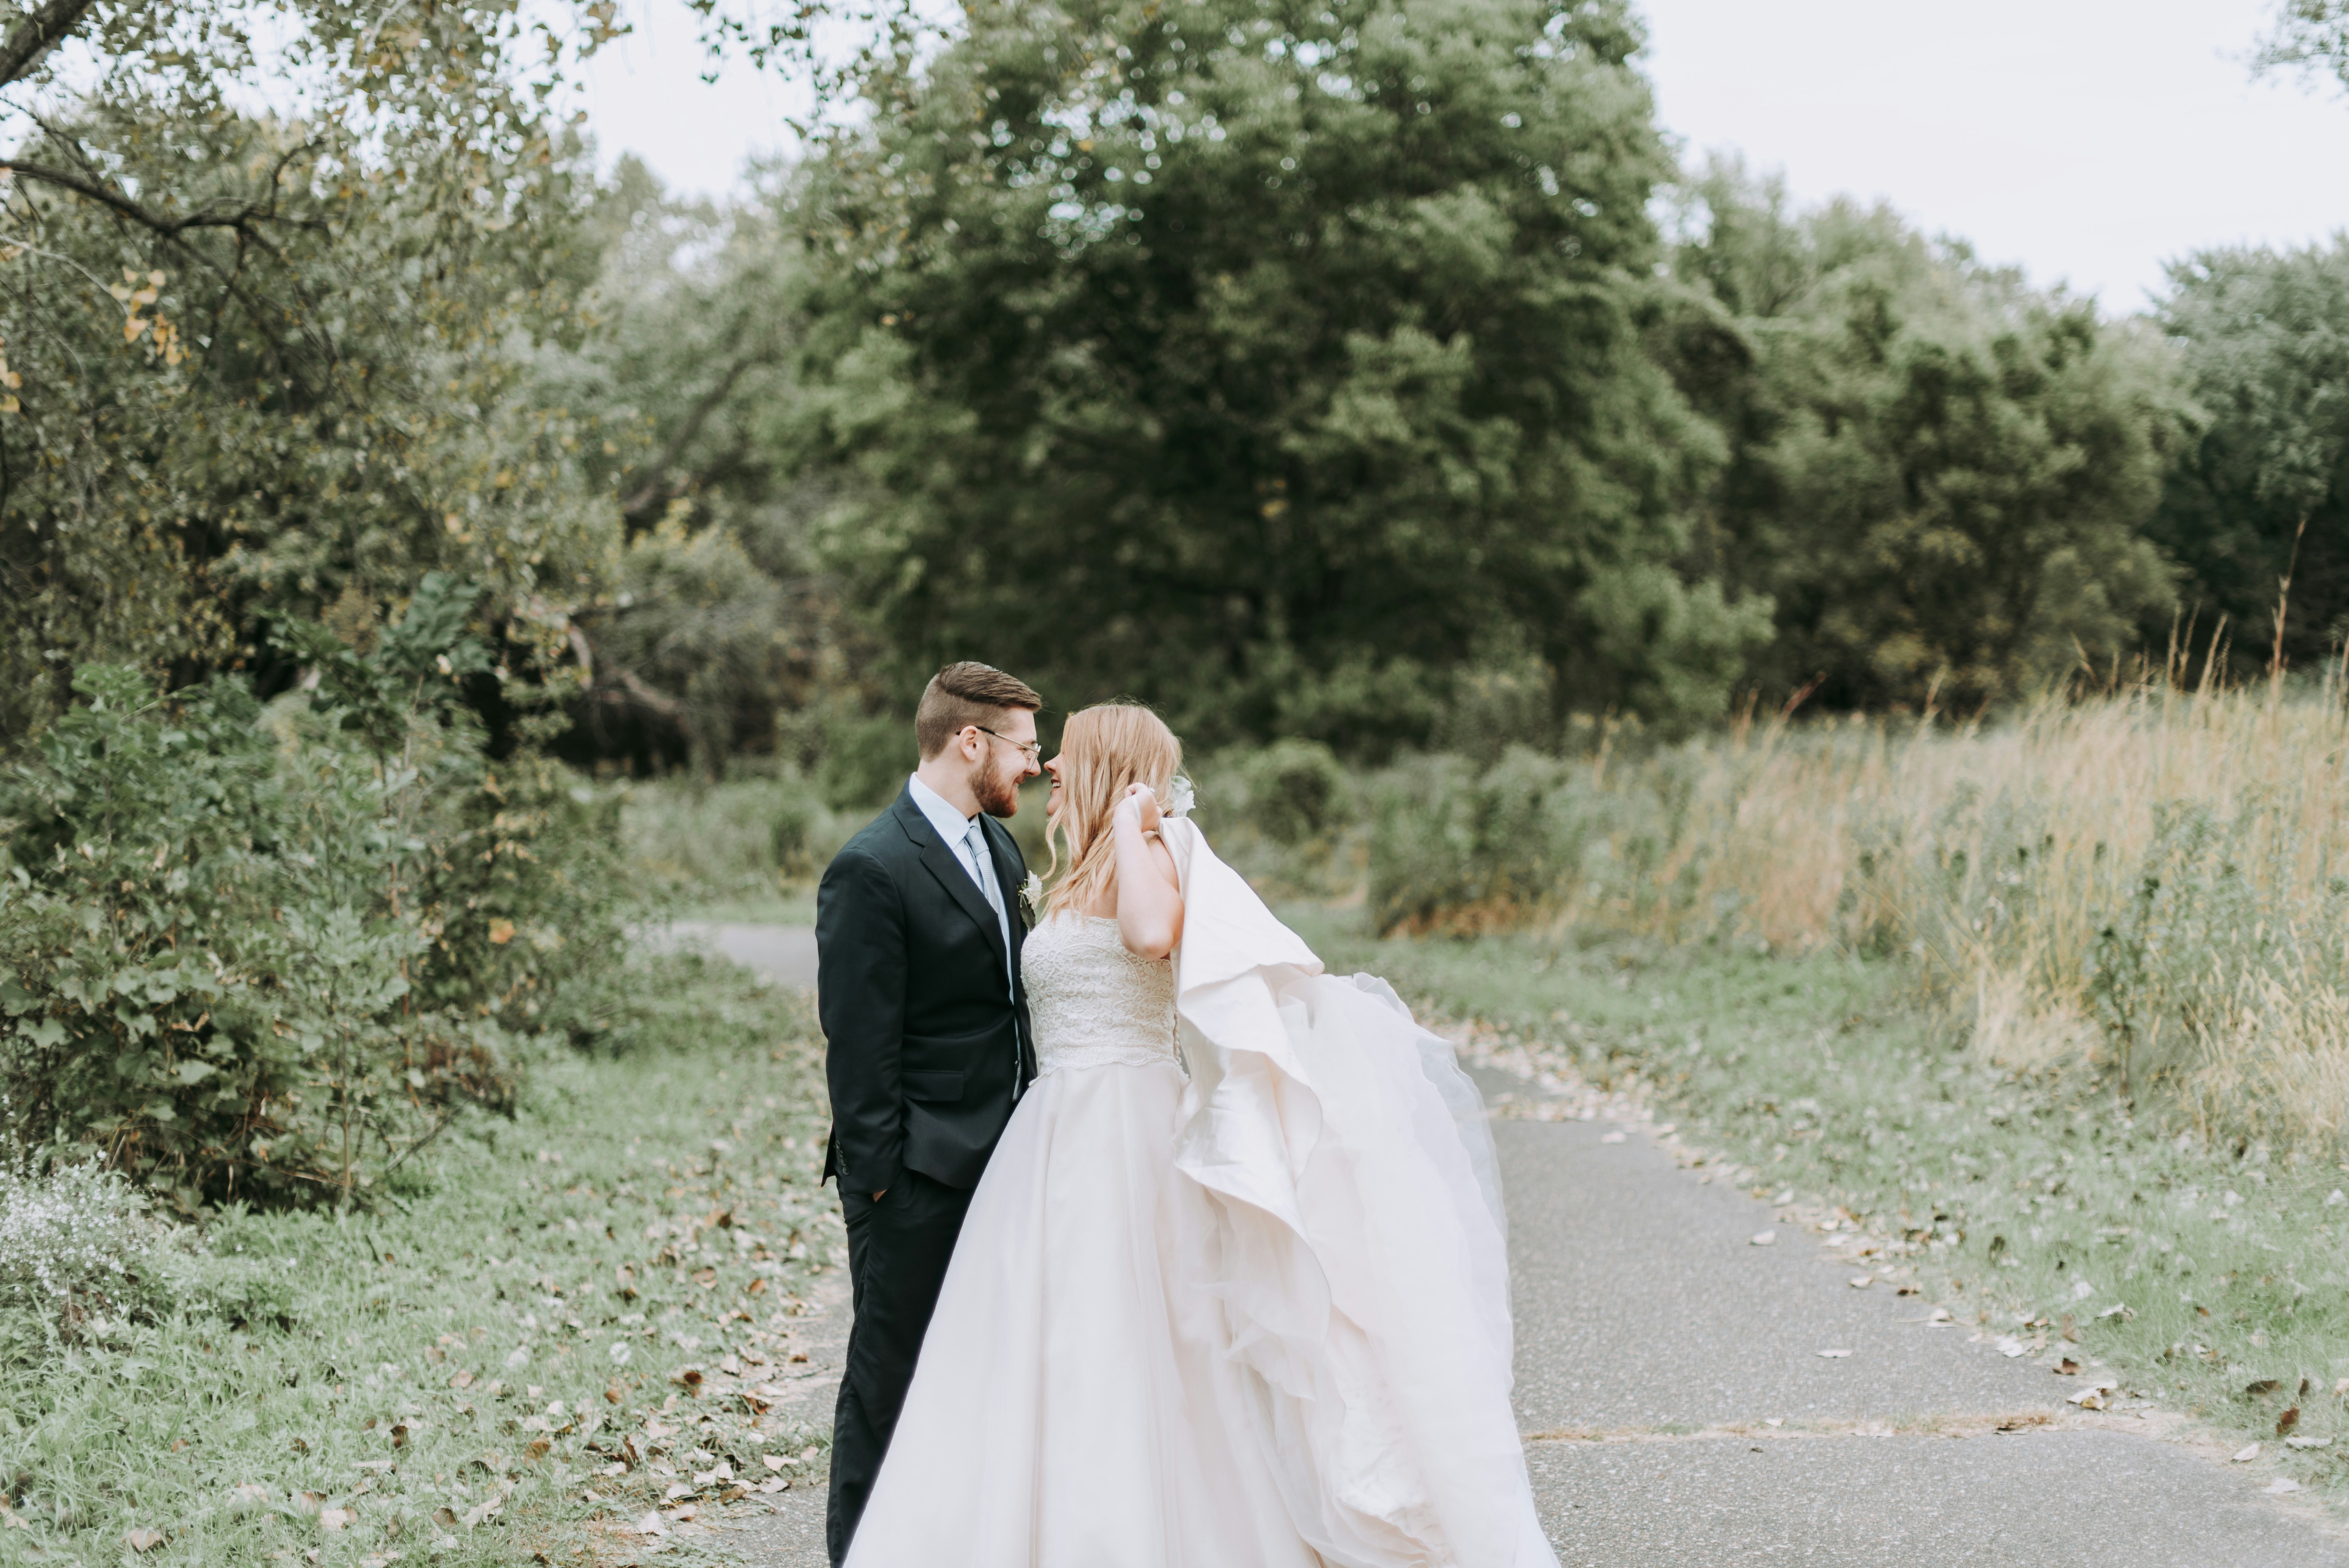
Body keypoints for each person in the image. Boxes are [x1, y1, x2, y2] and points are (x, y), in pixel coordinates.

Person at [843, 702, 1556, 1568]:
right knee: (1053, 1340)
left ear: (1108, 766)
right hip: (1053, 1132)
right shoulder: (1065, 868)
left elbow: (1150, 935)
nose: (1053, 769)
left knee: (1140, 1337)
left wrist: (1139, 821)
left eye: (1068, 755)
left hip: (1127, 1126)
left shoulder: (1144, 853)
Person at [814, 660, 1044, 1566]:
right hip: (912, 1179)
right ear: (970, 741)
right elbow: (858, 1047)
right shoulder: (870, 868)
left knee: (981, 1378)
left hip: (1006, 1165)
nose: (1034, 763)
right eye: (1024, 745)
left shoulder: (998, 848)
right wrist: (879, 1186)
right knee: (887, 1383)